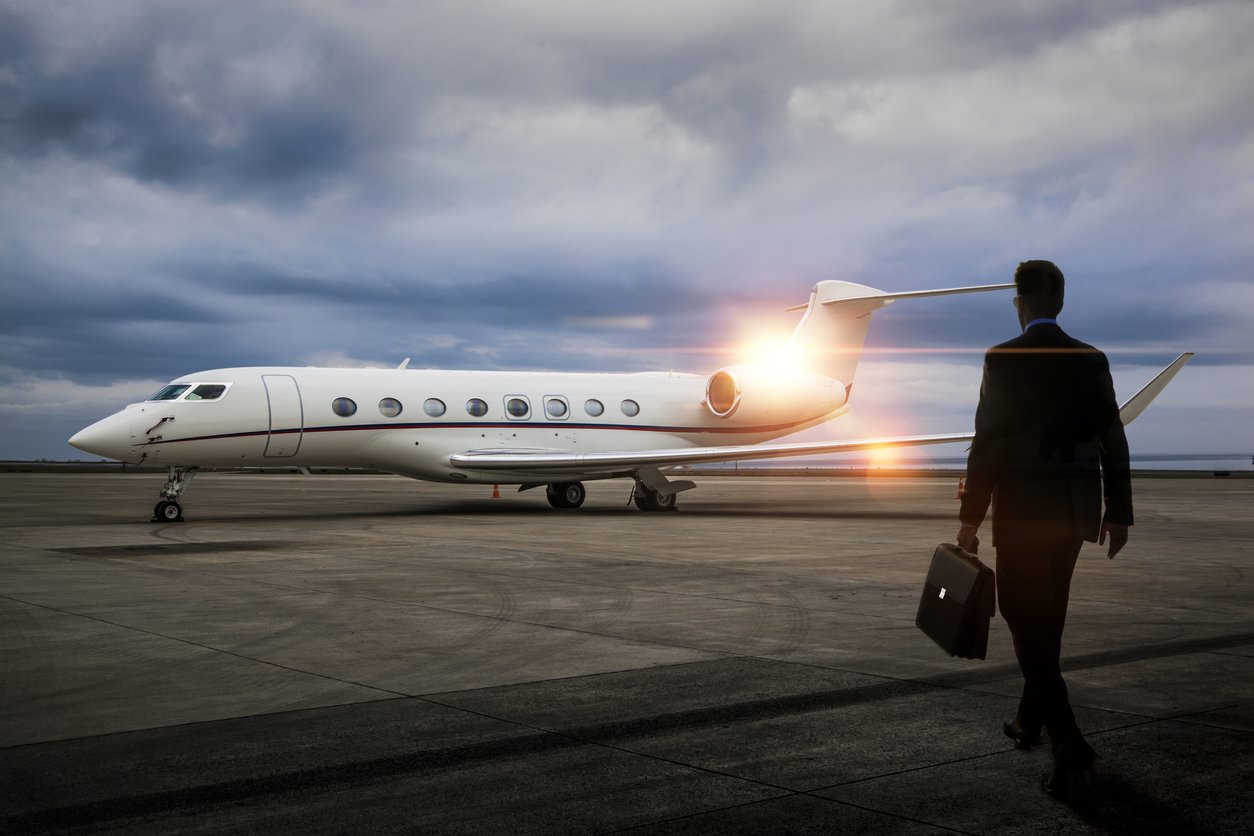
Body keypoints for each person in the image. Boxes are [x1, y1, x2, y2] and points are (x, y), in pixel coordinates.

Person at [956, 259, 1132, 798]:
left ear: (1020, 303)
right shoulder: (1091, 358)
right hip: (1076, 512)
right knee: (1047, 621)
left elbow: (988, 442)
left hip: (1023, 515)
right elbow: (1113, 439)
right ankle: (1028, 722)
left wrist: (970, 519)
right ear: (1060, 302)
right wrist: (1118, 512)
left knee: (1022, 619)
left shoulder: (1003, 358)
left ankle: (1068, 740)